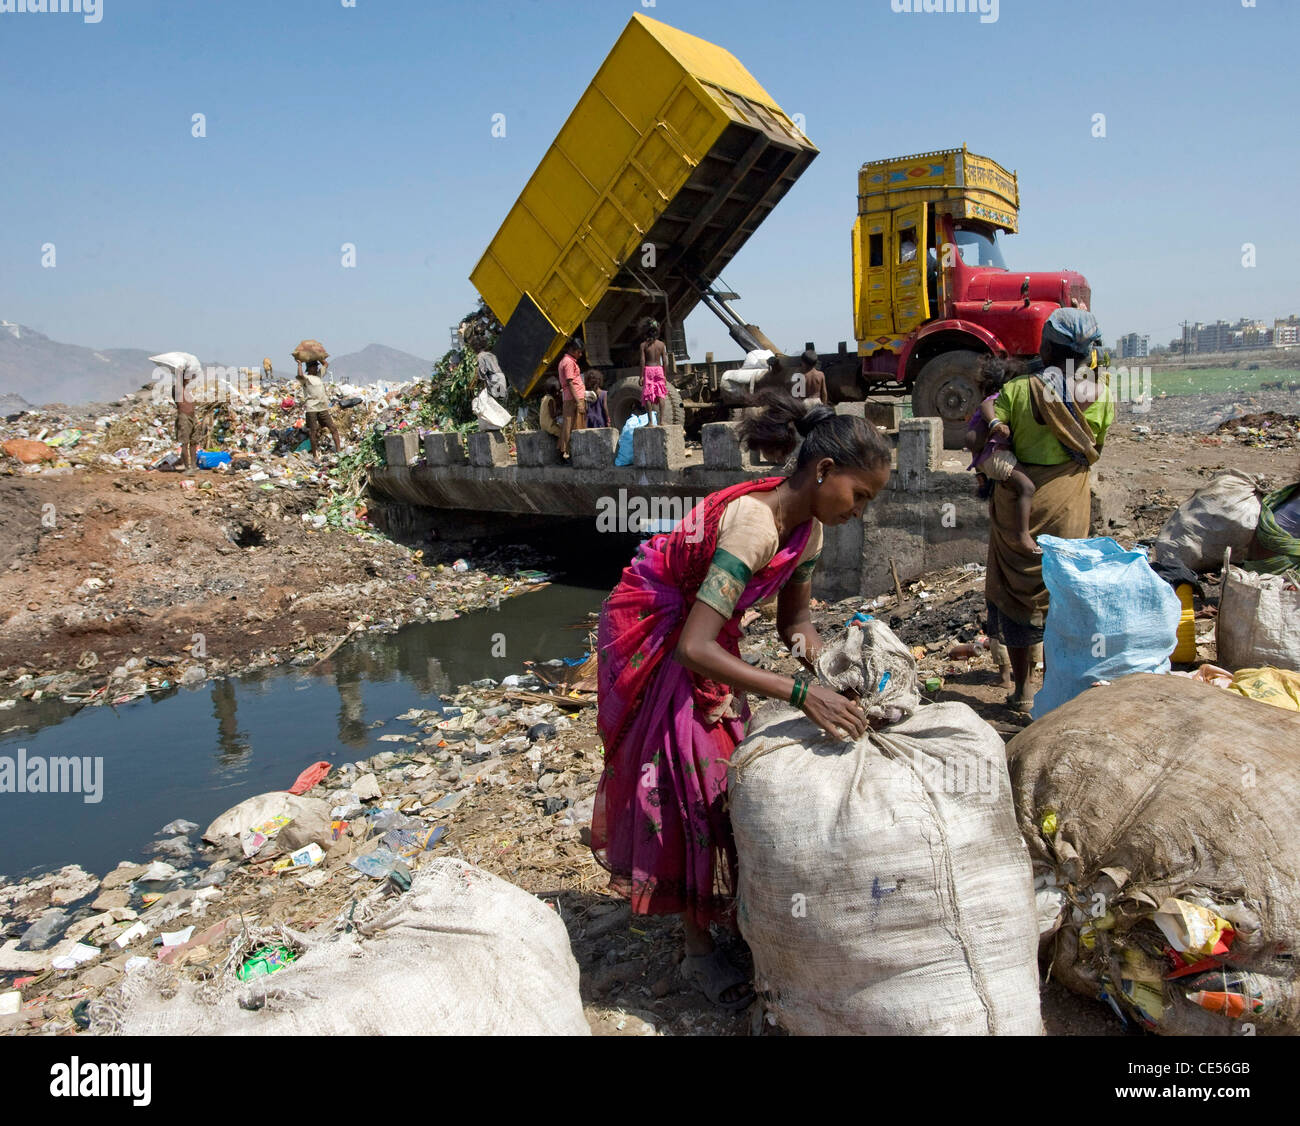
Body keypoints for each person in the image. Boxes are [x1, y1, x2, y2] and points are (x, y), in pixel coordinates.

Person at [593, 390, 892, 1008]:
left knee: (727, 772)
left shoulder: (807, 533)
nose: (859, 511)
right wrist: (801, 693)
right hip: (656, 628)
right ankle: (696, 948)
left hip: (702, 632)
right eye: (859, 496)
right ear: (824, 471)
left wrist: (827, 659)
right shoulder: (754, 523)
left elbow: (795, 622)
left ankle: (719, 916)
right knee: (690, 781)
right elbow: (695, 649)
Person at [984, 308, 1114, 713]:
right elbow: (1095, 452)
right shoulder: (1100, 392)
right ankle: (1059, 690)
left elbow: (992, 434)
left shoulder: (1020, 390)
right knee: (1061, 592)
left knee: (1017, 597)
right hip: (1068, 504)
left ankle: (1022, 692)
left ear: (1047, 346)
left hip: (1017, 505)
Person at [966, 357, 1039, 557]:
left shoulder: (991, 400)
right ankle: (1024, 535)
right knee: (1027, 487)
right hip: (996, 455)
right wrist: (996, 424)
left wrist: (979, 472)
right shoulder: (998, 398)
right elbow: (986, 407)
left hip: (987, 458)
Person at [296, 358, 343, 461]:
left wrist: (318, 357)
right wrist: (299, 364)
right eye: (314, 366)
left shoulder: (319, 376)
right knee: (313, 431)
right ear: (309, 368)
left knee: (333, 428)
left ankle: (339, 451)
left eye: (317, 366)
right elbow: (299, 375)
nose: (317, 368)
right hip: (312, 407)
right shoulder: (306, 378)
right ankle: (315, 456)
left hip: (322, 407)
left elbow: (326, 364)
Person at [557, 338, 587, 459]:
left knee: (571, 425)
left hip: (572, 398)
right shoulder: (568, 362)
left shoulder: (566, 361)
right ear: (572, 350)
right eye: (578, 352)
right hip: (574, 399)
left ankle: (568, 452)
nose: (580, 354)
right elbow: (570, 383)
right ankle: (568, 452)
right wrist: (579, 403)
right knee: (573, 426)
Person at [640, 320, 669, 424]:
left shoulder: (643, 345)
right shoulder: (661, 345)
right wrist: (664, 375)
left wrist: (641, 376)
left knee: (648, 395)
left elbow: (642, 361)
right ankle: (661, 421)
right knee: (660, 394)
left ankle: (651, 422)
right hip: (658, 369)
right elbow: (665, 361)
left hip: (648, 369)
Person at [173, 362, 199, 471]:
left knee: (194, 442)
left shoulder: (187, 390)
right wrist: (180, 371)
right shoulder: (177, 388)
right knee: (185, 442)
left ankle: (194, 465)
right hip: (183, 417)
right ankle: (187, 467)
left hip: (192, 417)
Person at [538, 376, 562, 442]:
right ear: (551, 392)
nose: (557, 393)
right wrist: (560, 412)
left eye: (558, 391)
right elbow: (553, 415)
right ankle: (562, 450)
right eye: (556, 392)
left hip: (543, 424)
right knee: (562, 432)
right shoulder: (550, 400)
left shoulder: (544, 398)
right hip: (549, 426)